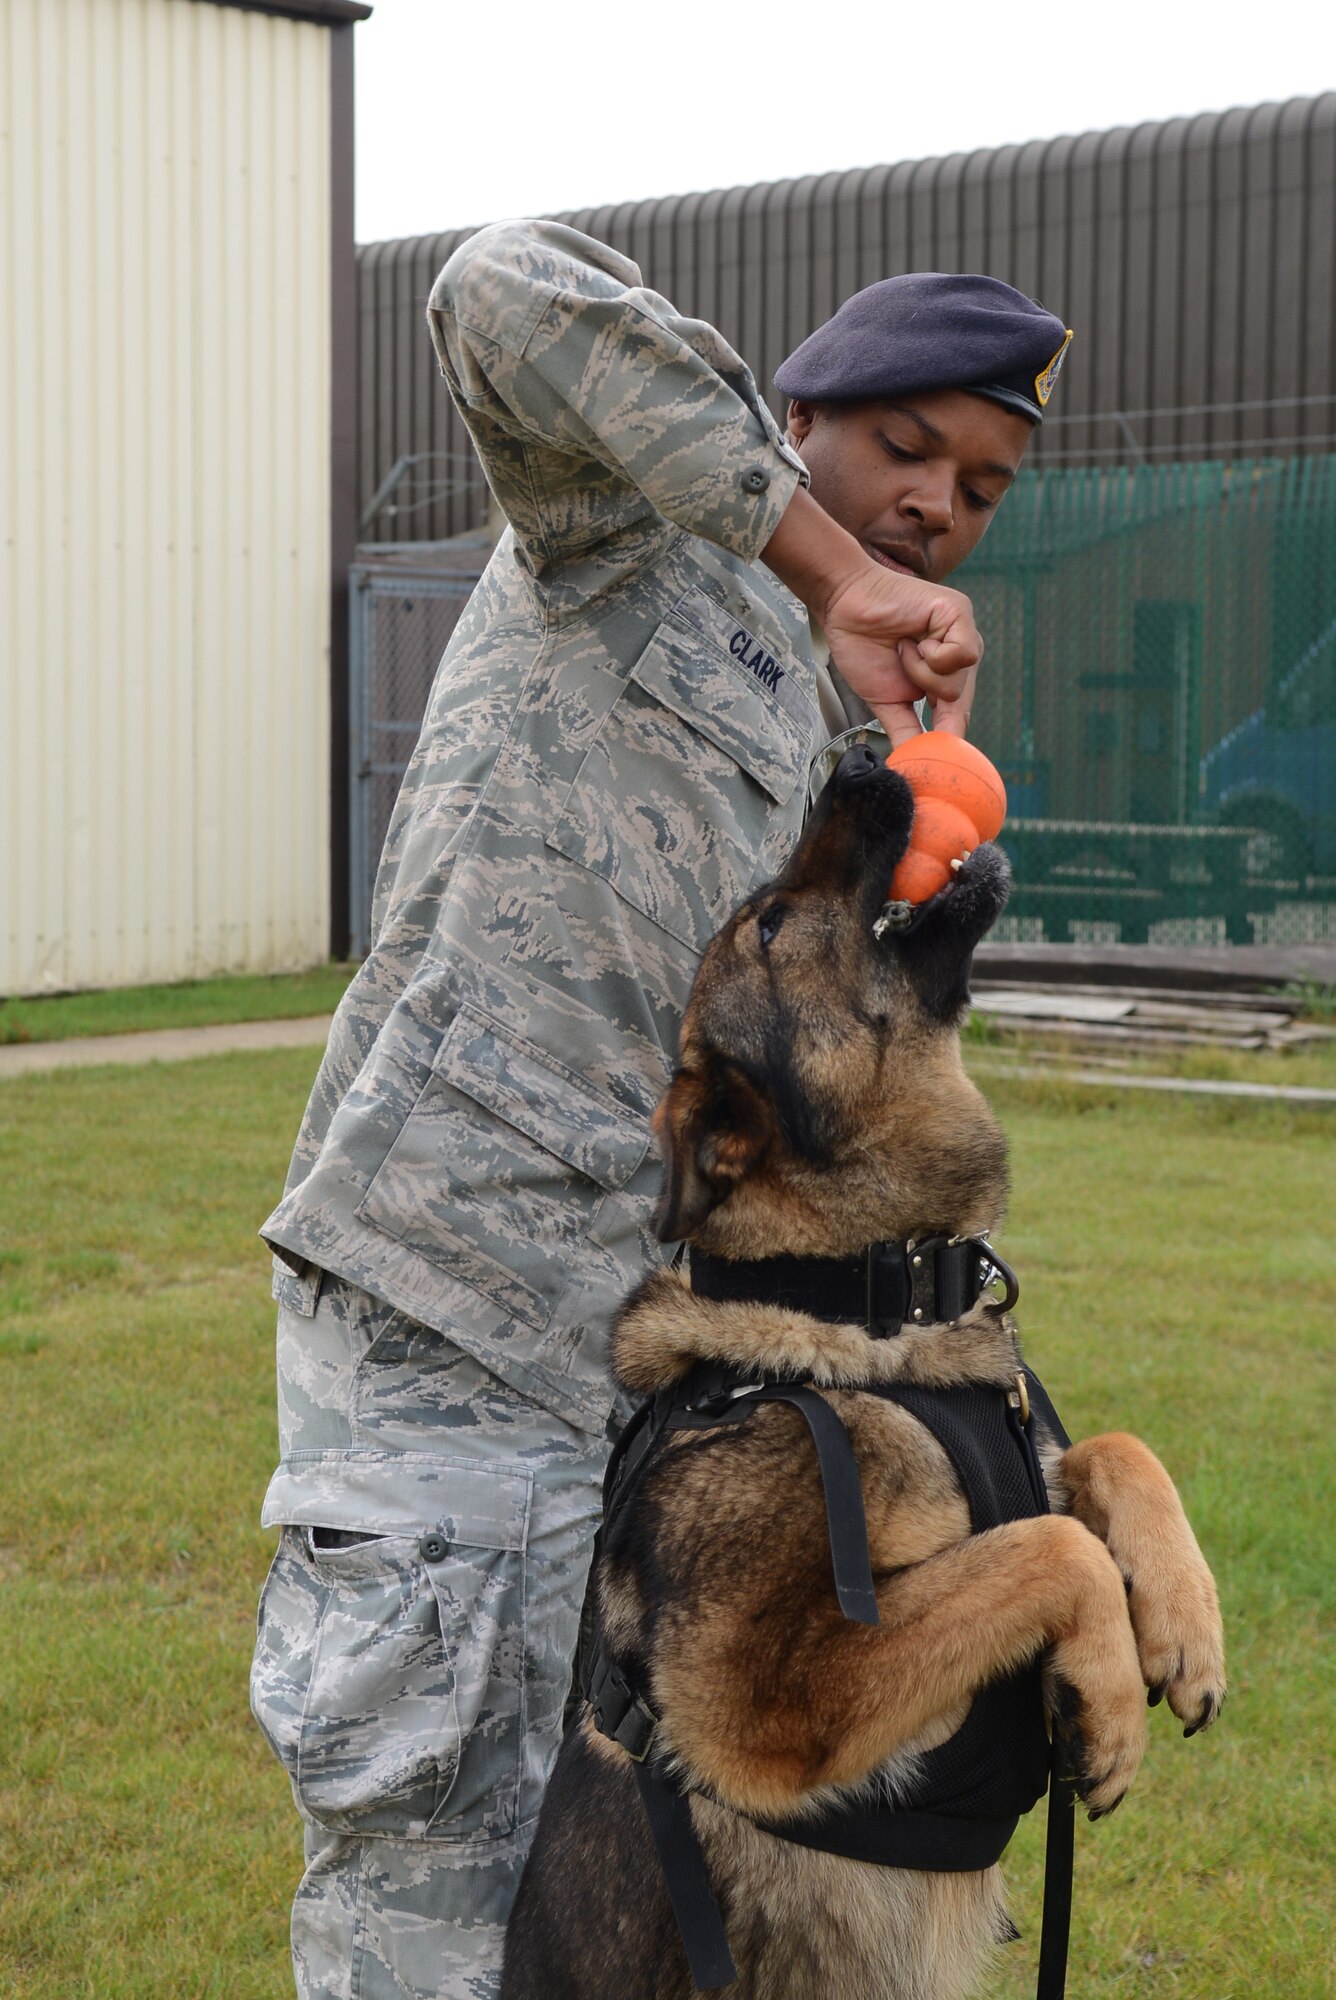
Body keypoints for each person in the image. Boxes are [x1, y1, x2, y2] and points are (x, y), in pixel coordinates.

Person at [249, 218, 1071, 2000]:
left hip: (663, 1377)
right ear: (796, 414)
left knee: (618, 1924)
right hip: (456, 1325)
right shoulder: (621, 534)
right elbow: (497, 290)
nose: (937, 503)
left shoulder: (823, 700)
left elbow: (798, 1072)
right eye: (906, 446)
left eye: (982, 485)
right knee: (437, 1912)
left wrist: (909, 850)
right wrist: (810, 550)